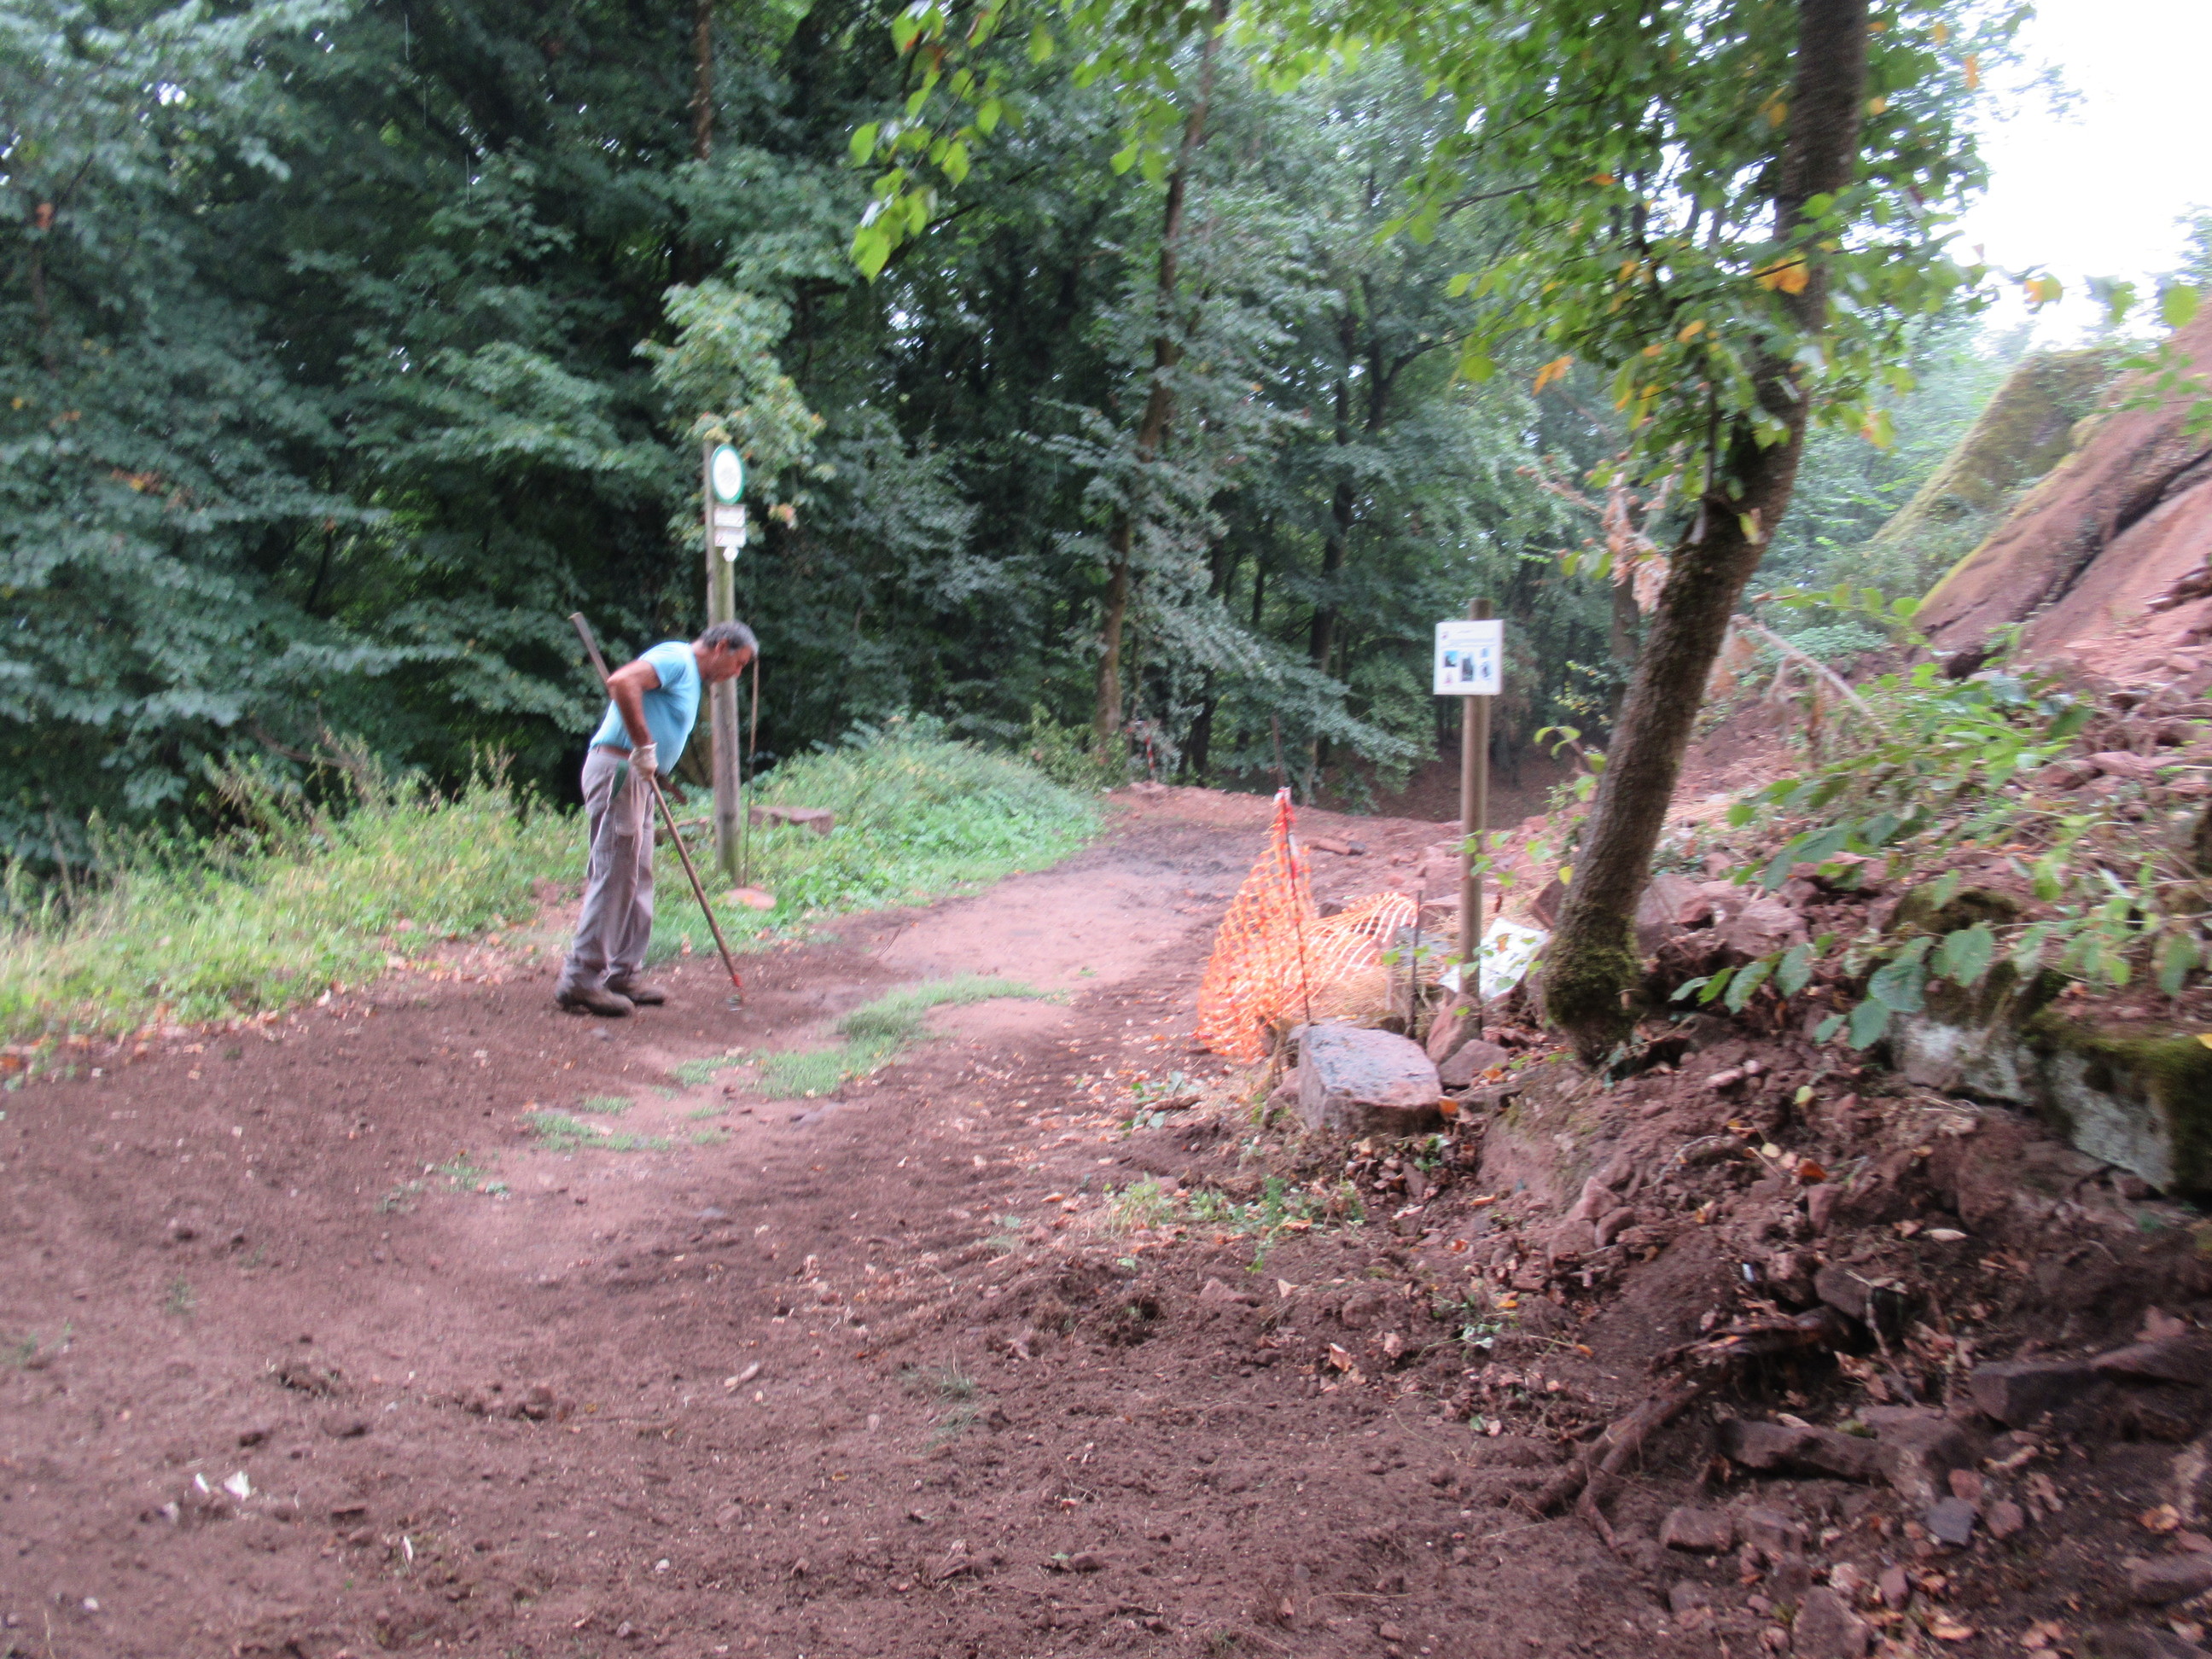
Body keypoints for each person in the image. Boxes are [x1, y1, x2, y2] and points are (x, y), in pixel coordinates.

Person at [556, 621, 757, 1016]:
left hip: (641, 780)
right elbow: (622, 681)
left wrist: (650, 760)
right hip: (620, 771)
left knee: (638, 876)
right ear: (721, 646)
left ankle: (623, 974)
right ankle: (581, 978)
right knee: (615, 874)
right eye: (739, 663)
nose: (736, 674)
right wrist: (644, 746)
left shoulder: (689, 676)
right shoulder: (677, 658)